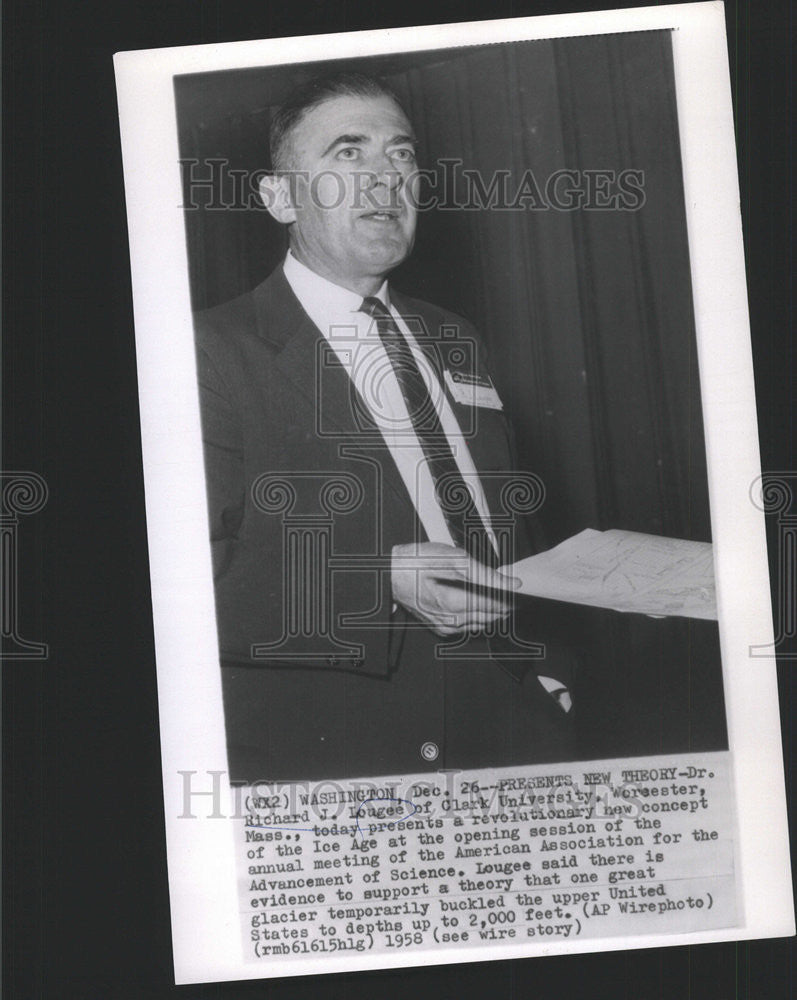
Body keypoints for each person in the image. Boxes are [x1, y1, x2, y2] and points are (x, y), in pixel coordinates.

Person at [194, 72, 581, 783]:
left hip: (512, 735)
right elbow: (179, 582)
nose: (384, 181)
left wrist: (543, 676)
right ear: (279, 196)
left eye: (400, 156)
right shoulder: (210, 351)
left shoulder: (452, 334)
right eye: (347, 154)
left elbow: (503, 522)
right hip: (340, 754)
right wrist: (378, 578)